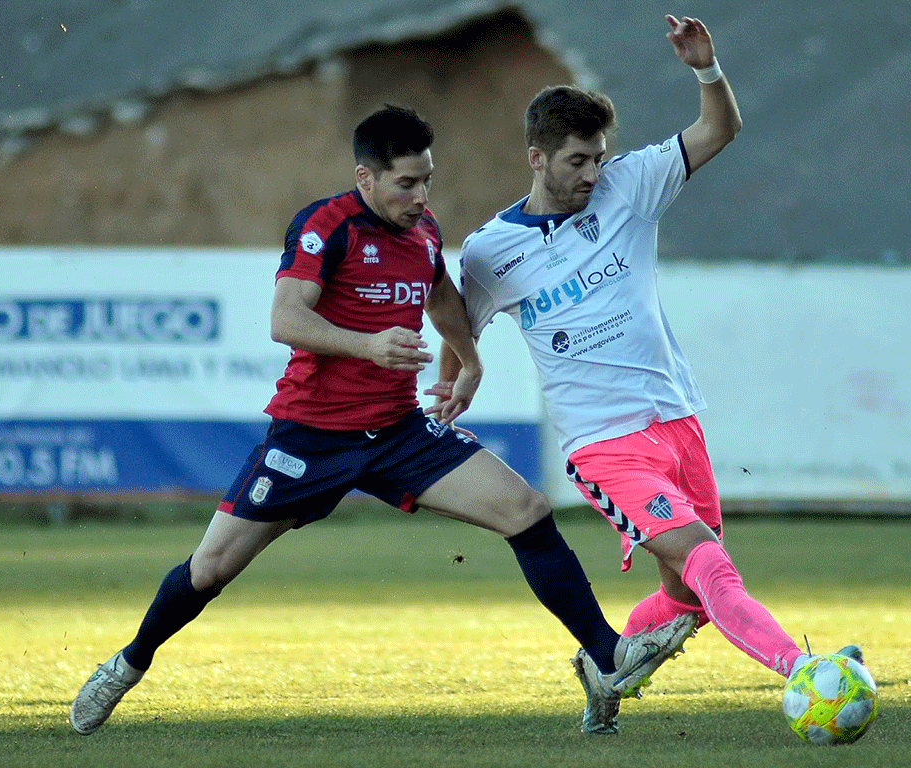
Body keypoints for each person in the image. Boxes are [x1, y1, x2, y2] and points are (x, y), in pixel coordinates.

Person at [68, 104, 698, 736]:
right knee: (209, 571)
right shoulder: (326, 226)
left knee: (526, 510)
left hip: (397, 432)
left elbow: (445, 299)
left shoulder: (422, 233)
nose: (421, 196)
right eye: (406, 182)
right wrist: (369, 346)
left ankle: (608, 654)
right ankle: (127, 664)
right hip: (311, 437)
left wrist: (469, 363)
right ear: (366, 177)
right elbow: (285, 319)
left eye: (427, 180)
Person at [437, 16, 868, 735]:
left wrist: (707, 69)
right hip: (603, 445)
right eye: (577, 161)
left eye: (599, 157)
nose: (592, 174)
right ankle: (803, 670)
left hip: (677, 422)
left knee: (690, 598)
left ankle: (607, 668)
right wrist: (461, 375)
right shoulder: (491, 252)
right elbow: (459, 324)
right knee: (710, 565)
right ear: (537, 157)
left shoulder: (629, 186)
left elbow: (718, 129)